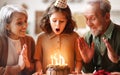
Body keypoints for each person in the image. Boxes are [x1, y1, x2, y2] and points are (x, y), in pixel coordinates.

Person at [33, 0, 82, 74]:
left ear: (67, 21)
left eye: (62, 21)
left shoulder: (75, 37)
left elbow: (79, 60)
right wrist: (39, 71)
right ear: (49, 19)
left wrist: (77, 71)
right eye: (54, 20)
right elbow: (38, 60)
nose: (57, 25)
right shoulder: (41, 38)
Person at [78, 0, 120, 74]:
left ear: (107, 17)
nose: (89, 24)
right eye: (86, 19)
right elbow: (88, 72)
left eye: (93, 18)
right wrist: (87, 61)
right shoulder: (88, 37)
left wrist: (117, 60)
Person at [0, 4, 35, 75]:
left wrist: (27, 65)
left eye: (25, 21)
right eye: (19, 23)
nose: (25, 26)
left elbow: (32, 70)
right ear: (7, 26)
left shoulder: (29, 40)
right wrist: (19, 67)